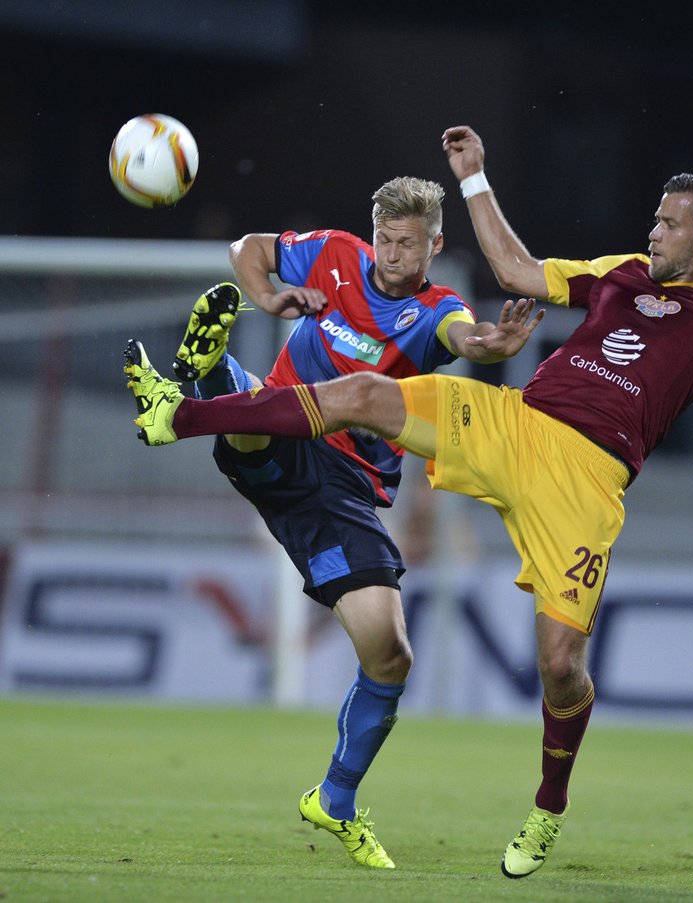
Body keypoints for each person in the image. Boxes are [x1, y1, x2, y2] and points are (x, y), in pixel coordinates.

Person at [123, 126, 693, 878]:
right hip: (516, 423)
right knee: (365, 392)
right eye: (654, 220)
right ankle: (182, 411)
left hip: (585, 484)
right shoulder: (618, 275)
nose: (651, 231)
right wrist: (475, 179)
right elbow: (518, 273)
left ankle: (549, 806)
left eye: (667, 223)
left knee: (560, 664)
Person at [152, 175, 541, 870]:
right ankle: (216, 386)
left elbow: (469, 336)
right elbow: (248, 247)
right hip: (283, 432)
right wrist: (269, 294)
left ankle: (333, 798)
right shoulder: (334, 254)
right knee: (267, 430)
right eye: (385, 240)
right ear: (373, 234)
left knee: (389, 651)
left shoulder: (432, 310)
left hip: (345, 492)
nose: (393, 256)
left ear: (435, 245)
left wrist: (494, 342)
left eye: (408, 245)